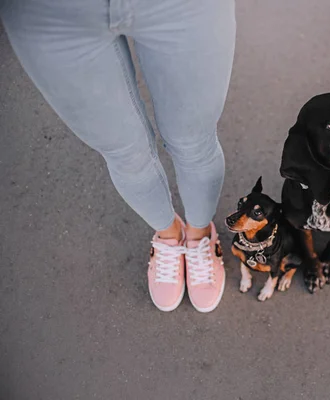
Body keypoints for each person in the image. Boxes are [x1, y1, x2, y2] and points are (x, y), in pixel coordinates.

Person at [0, 0, 236, 313]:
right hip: (50, 13)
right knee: (126, 154)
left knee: (194, 141)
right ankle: (169, 234)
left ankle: (199, 234)